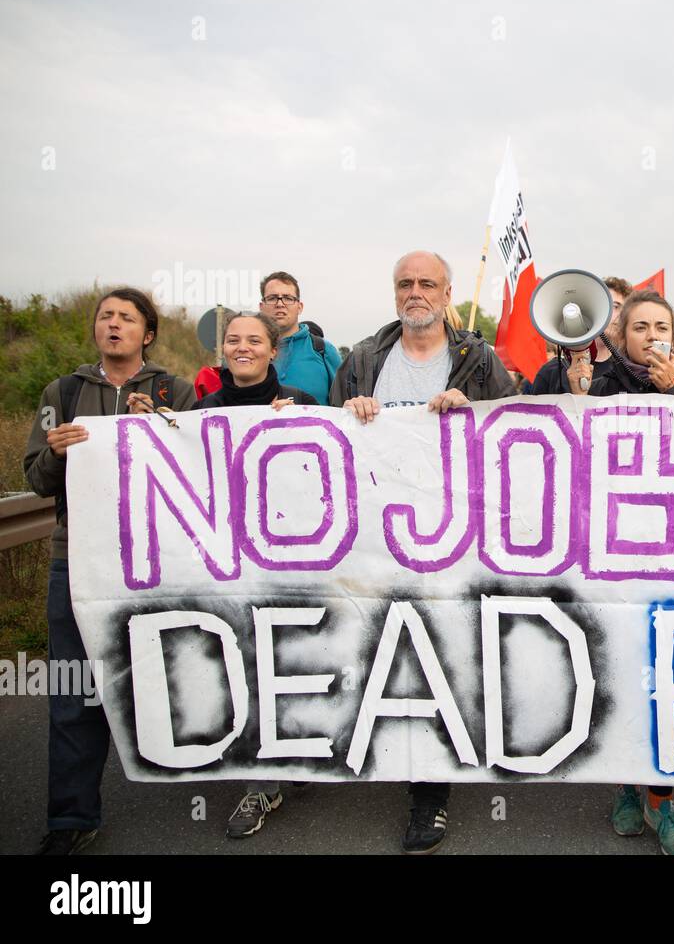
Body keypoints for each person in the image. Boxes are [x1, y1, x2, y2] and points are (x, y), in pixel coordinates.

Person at [332, 250, 514, 854]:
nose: (415, 292)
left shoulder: (478, 359)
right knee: (392, 651)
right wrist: (349, 413)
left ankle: (430, 793)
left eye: (427, 283)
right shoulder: (362, 360)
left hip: (453, 537)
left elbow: (517, 431)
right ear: (394, 295)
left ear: (448, 293)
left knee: (437, 653)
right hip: (375, 538)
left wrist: (476, 410)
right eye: (405, 284)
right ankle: (393, 759)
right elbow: (327, 436)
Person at [24, 287, 197, 855]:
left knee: (172, 678)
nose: (113, 324)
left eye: (126, 317)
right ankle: (72, 818)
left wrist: (167, 428)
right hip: (78, 558)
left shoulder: (176, 389)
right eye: (105, 316)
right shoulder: (62, 391)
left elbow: (204, 466)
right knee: (75, 689)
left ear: (147, 333)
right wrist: (56, 453)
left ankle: (197, 784)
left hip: (157, 559)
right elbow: (38, 480)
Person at [589, 289, 674, 855]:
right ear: (621, 337)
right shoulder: (596, 389)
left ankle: (662, 799)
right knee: (622, 674)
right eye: (638, 326)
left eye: (660, 326)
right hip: (613, 558)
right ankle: (627, 782)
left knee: (669, 677)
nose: (650, 336)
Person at [190, 311, 316, 836]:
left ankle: (301, 753)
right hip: (230, 564)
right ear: (223, 351)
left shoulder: (304, 404)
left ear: (272, 350)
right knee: (244, 666)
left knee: (291, 661)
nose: (243, 347)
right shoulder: (200, 412)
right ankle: (258, 787)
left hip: (294, 560)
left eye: (254, 340)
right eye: (234, 340)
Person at [529, 276, 629, 396]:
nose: (618, 315)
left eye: (622, 308)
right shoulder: (550, 373)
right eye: (615, 306)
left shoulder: (627, 369)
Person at [259, 271, 342, 405]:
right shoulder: (250, 353)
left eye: (288, 298)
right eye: (272, 298)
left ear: (299, 307)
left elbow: (344, 403)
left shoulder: (324, 351)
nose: (280, 304)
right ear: (261, 307)